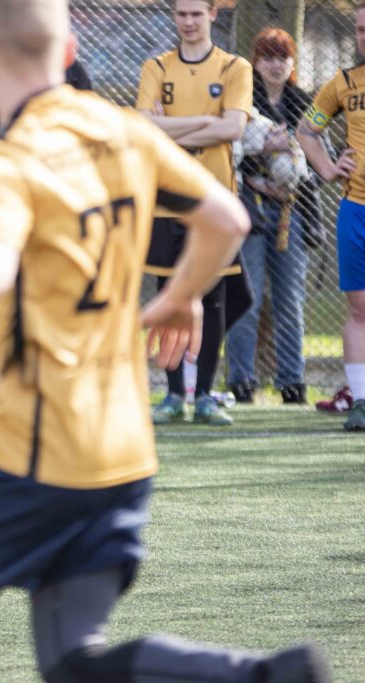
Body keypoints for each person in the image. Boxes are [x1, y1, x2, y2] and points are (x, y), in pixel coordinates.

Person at [0, 2, 331, 681]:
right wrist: (181, 295)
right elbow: (226, 217)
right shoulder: (121, 130)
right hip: (122, 448)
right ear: (70, 50)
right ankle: (261, 675)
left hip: (32, 446)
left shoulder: (1, 158)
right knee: (74, 661)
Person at [137, 0, 253, 426]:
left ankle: (202, 394)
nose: (188, 22)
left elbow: (234, 127)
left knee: (217, 296)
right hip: (167, 197)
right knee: (171, 292)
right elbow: (142, 125)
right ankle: (173, 396)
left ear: (213, 15)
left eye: (196, 14)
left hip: (216, 199)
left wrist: (169, 128)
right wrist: (207, 122)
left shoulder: (234, 67)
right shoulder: (156, 66)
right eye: (182, 14)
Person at [225, 28, 319, 405]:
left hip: (291, 211)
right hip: (249, 208)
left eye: (282, 57)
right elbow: (229, 152)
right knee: (246, 298)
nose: (276, 64)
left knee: (290, 300)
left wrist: (293, 181)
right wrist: (263, 159)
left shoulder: (305, 103)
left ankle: (292, 381)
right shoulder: (243, 99)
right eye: (267, 57)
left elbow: (319, 156)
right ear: (256, 62)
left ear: (292, 62)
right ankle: (241, 381)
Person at [297, 2, 365, 431]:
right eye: (360, 29)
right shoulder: (343, 83)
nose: (364, 36)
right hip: (356, 208)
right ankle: (360, 401)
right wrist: (326, 167)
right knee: (359, 310)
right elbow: (307, 130)